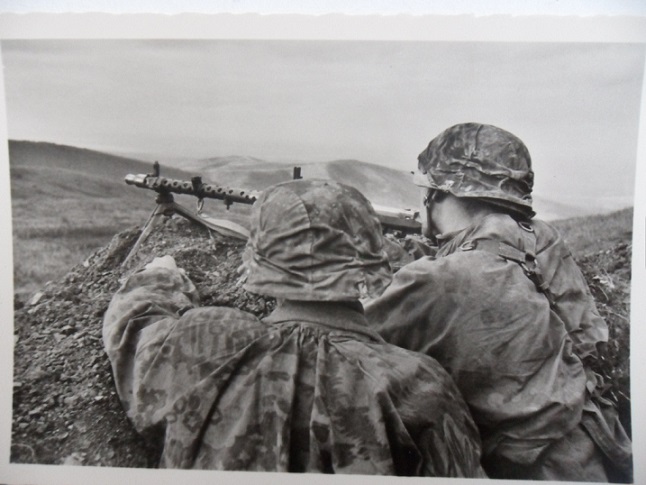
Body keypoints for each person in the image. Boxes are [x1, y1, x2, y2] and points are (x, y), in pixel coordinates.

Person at [102, 178, 486, 476]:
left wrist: (161, 276)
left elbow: (133, 324)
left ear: (259, 263)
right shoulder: (419, 385)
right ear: (371, 264)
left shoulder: (205, 339)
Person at [365, 123, 632, 482]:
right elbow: (489, 272)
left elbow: (348, 338)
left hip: (528, 469)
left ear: (437, 192)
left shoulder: (435, 280)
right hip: (598, 446)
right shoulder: (541, 238)